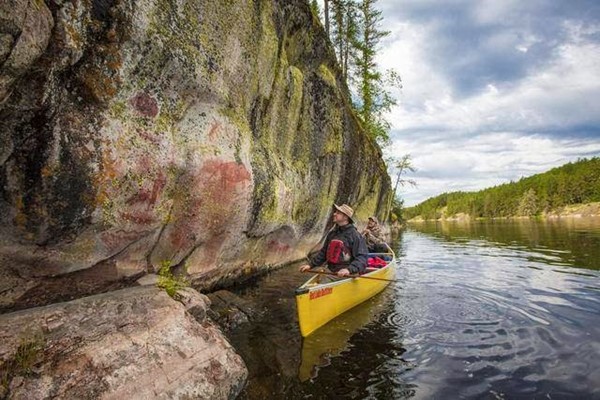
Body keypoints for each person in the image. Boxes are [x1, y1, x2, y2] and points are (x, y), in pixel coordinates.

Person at [299, 204, 368, 277]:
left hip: (347, 275)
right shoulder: (332, 234)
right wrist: (310, 265)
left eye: (338, 213)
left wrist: (348, 270)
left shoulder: (355, 235)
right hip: (331, 271)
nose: (334, 214)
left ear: (345, 217)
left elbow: (362, 258)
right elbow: (323, 253)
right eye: (335, 212)